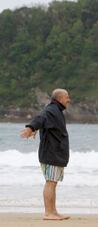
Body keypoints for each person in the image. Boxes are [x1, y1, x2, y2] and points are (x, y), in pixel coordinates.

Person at [20, 88, 71, 220]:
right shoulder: (51, 110)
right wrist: (30, 128)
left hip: (56, 153)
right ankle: (48, 213)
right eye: (67, 97)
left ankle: (53, 212)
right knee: (50, 182)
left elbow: (44, 123)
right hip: (51, 153)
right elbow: (40, 118)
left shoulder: (56, 111)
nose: (68, 100)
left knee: (53, 182)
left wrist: (36, 129)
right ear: (60, 99)